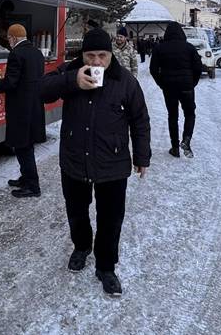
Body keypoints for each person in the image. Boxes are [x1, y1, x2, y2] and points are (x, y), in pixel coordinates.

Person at [40, 28, 151, 297]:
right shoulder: (71, 71)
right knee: (76, 211)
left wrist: (142, 157)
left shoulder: (125, 81)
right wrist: (72, 81)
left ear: (111, 55)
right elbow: (41, 91)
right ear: (83, 55)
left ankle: (106, 266)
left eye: (103, 55)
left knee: (111, 219)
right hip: (74, 160)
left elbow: (140, 120)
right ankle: (81, 247)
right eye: (90, 55)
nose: (96, 62)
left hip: (112, 163)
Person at [0, 23, 46, 198]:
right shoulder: (37, 53)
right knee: (26, 145)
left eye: (8, 38)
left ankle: (32, 186)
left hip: (20, 109)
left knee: (23, 147)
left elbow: (11, 83)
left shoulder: (16, 54)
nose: (8, 41)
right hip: (34, 107)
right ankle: (26, 178)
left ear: (14, 38)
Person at [149, 22, 202, 158]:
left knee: (172, 116)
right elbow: (198, 68)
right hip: (186, 87)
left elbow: (153, 70)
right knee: (190, 114)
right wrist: (192, 83)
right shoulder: (189, 48)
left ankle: (175, 147)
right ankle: (186, 139)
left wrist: (162, 84)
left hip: (169, 87)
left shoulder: (159, 48)